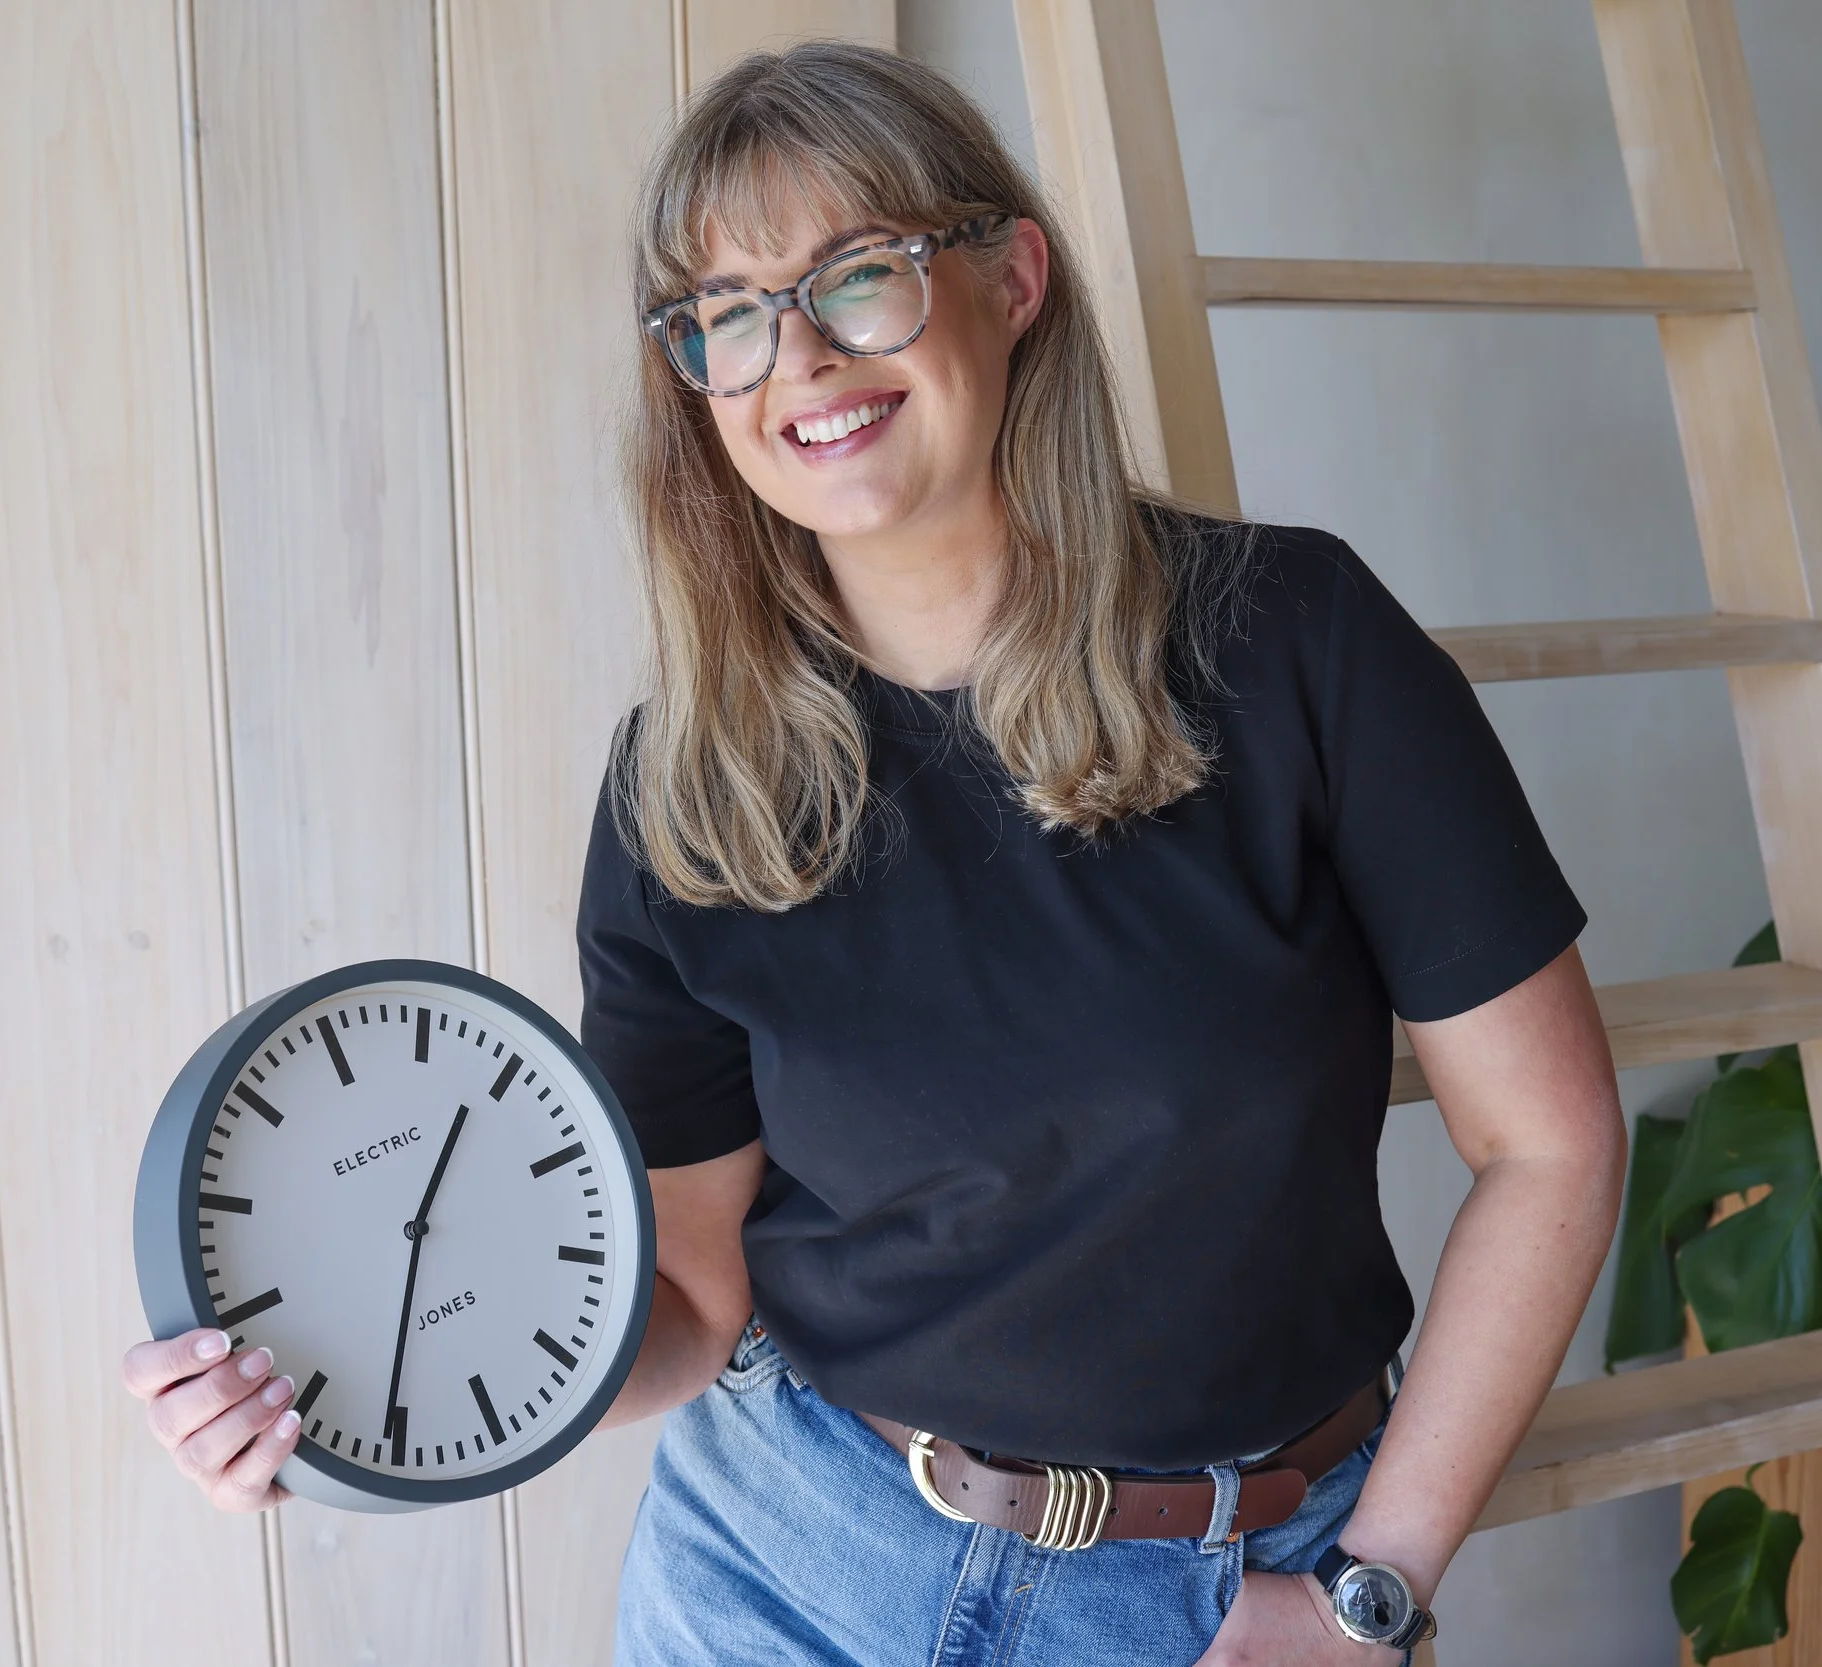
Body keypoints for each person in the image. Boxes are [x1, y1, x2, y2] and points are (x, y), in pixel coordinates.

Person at [122, 40, 1625, 1667]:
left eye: (856, 277)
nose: (800, 359)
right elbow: (688, 1303)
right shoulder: (688, 787)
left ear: (1013, 278)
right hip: (784, 1564)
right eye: (729, 313)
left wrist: (1368, 1594)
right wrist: (343, 1402)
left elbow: (1549, 1143)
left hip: (1218, 1599)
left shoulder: (1297, 645)